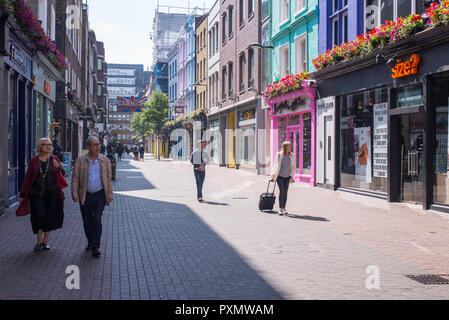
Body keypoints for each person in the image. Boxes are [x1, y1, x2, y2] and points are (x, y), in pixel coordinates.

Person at [17, 138, 67, 252]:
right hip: (37, 194)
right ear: (40, 147)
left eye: (50, 145)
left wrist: (57, 166)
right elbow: (28, 178)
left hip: (52, 193)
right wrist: (22, 194)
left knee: (49, 216)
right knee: (38, 216)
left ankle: (45, 242)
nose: (49, 146)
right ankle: (38, 241)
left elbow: (63, 173)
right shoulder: (34, 161)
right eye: (46, 145)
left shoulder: (54, 159)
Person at [71, 136, 113, 257]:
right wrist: (74, 193)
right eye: (94, 145)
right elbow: (75, 178)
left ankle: (96, 246)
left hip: (100, 195)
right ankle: (90, 241)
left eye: (98, 144)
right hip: (85, 195)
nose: (97, 147)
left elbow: (108, 180)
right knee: (87, 220)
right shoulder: (80, 160)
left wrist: (110, 194)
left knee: (97, 219)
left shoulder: (105, 160)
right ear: (88, 147)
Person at [271, 141, 296, 215]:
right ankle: (280, 208)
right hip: (280, 176)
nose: (290, 147)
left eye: (290, 146)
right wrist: (273, 174)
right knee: (282, 191)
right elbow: (275, 165)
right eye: (289, 146)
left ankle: (284, 208)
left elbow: (293, 166)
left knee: (285, 192)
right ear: (285, 147)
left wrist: (291, 174)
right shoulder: (279, 154)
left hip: (287, 176)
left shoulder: (292, 155)